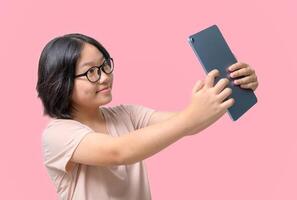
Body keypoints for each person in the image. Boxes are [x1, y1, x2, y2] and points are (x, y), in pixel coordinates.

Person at [36, 33, 259, 200]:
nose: (104, 77)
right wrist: (192, 115)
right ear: (61, 82)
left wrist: (233, 87)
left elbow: (187, 124)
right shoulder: (58, 134)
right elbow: (118, 152)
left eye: (105, 65)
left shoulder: (127, 114)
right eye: (91, 71)